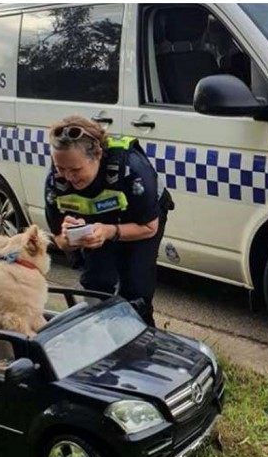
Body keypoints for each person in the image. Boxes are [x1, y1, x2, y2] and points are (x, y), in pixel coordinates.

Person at [44, 115, 174, 326]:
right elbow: (58, 238)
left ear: (97, 155)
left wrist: (109, 231)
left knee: (135, 289)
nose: (68, 177)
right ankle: (102, 337)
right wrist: (70, 238)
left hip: (140, 221)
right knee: (96, 282)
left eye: (76, 170)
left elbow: (150, 227)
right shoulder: (56, 180)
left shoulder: (131, 168)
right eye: (61, 168)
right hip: (97, 223)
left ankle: (143, 341)